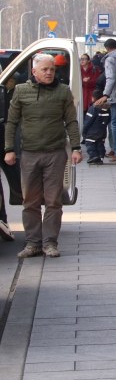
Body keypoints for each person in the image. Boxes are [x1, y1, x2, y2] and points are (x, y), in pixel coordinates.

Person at [4, 53, 82, 258]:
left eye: (52, 70)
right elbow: (11, 123)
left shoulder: (63, 91)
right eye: (45, 69)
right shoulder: (21, 91)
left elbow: (71, 121)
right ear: (34, 71)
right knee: (30, 200)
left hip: (55, 153)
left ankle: (50, 243)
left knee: (53, 201)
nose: (49, 73)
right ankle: (33, 243)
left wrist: (76, 148)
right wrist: (9, 149)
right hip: (29, 154)